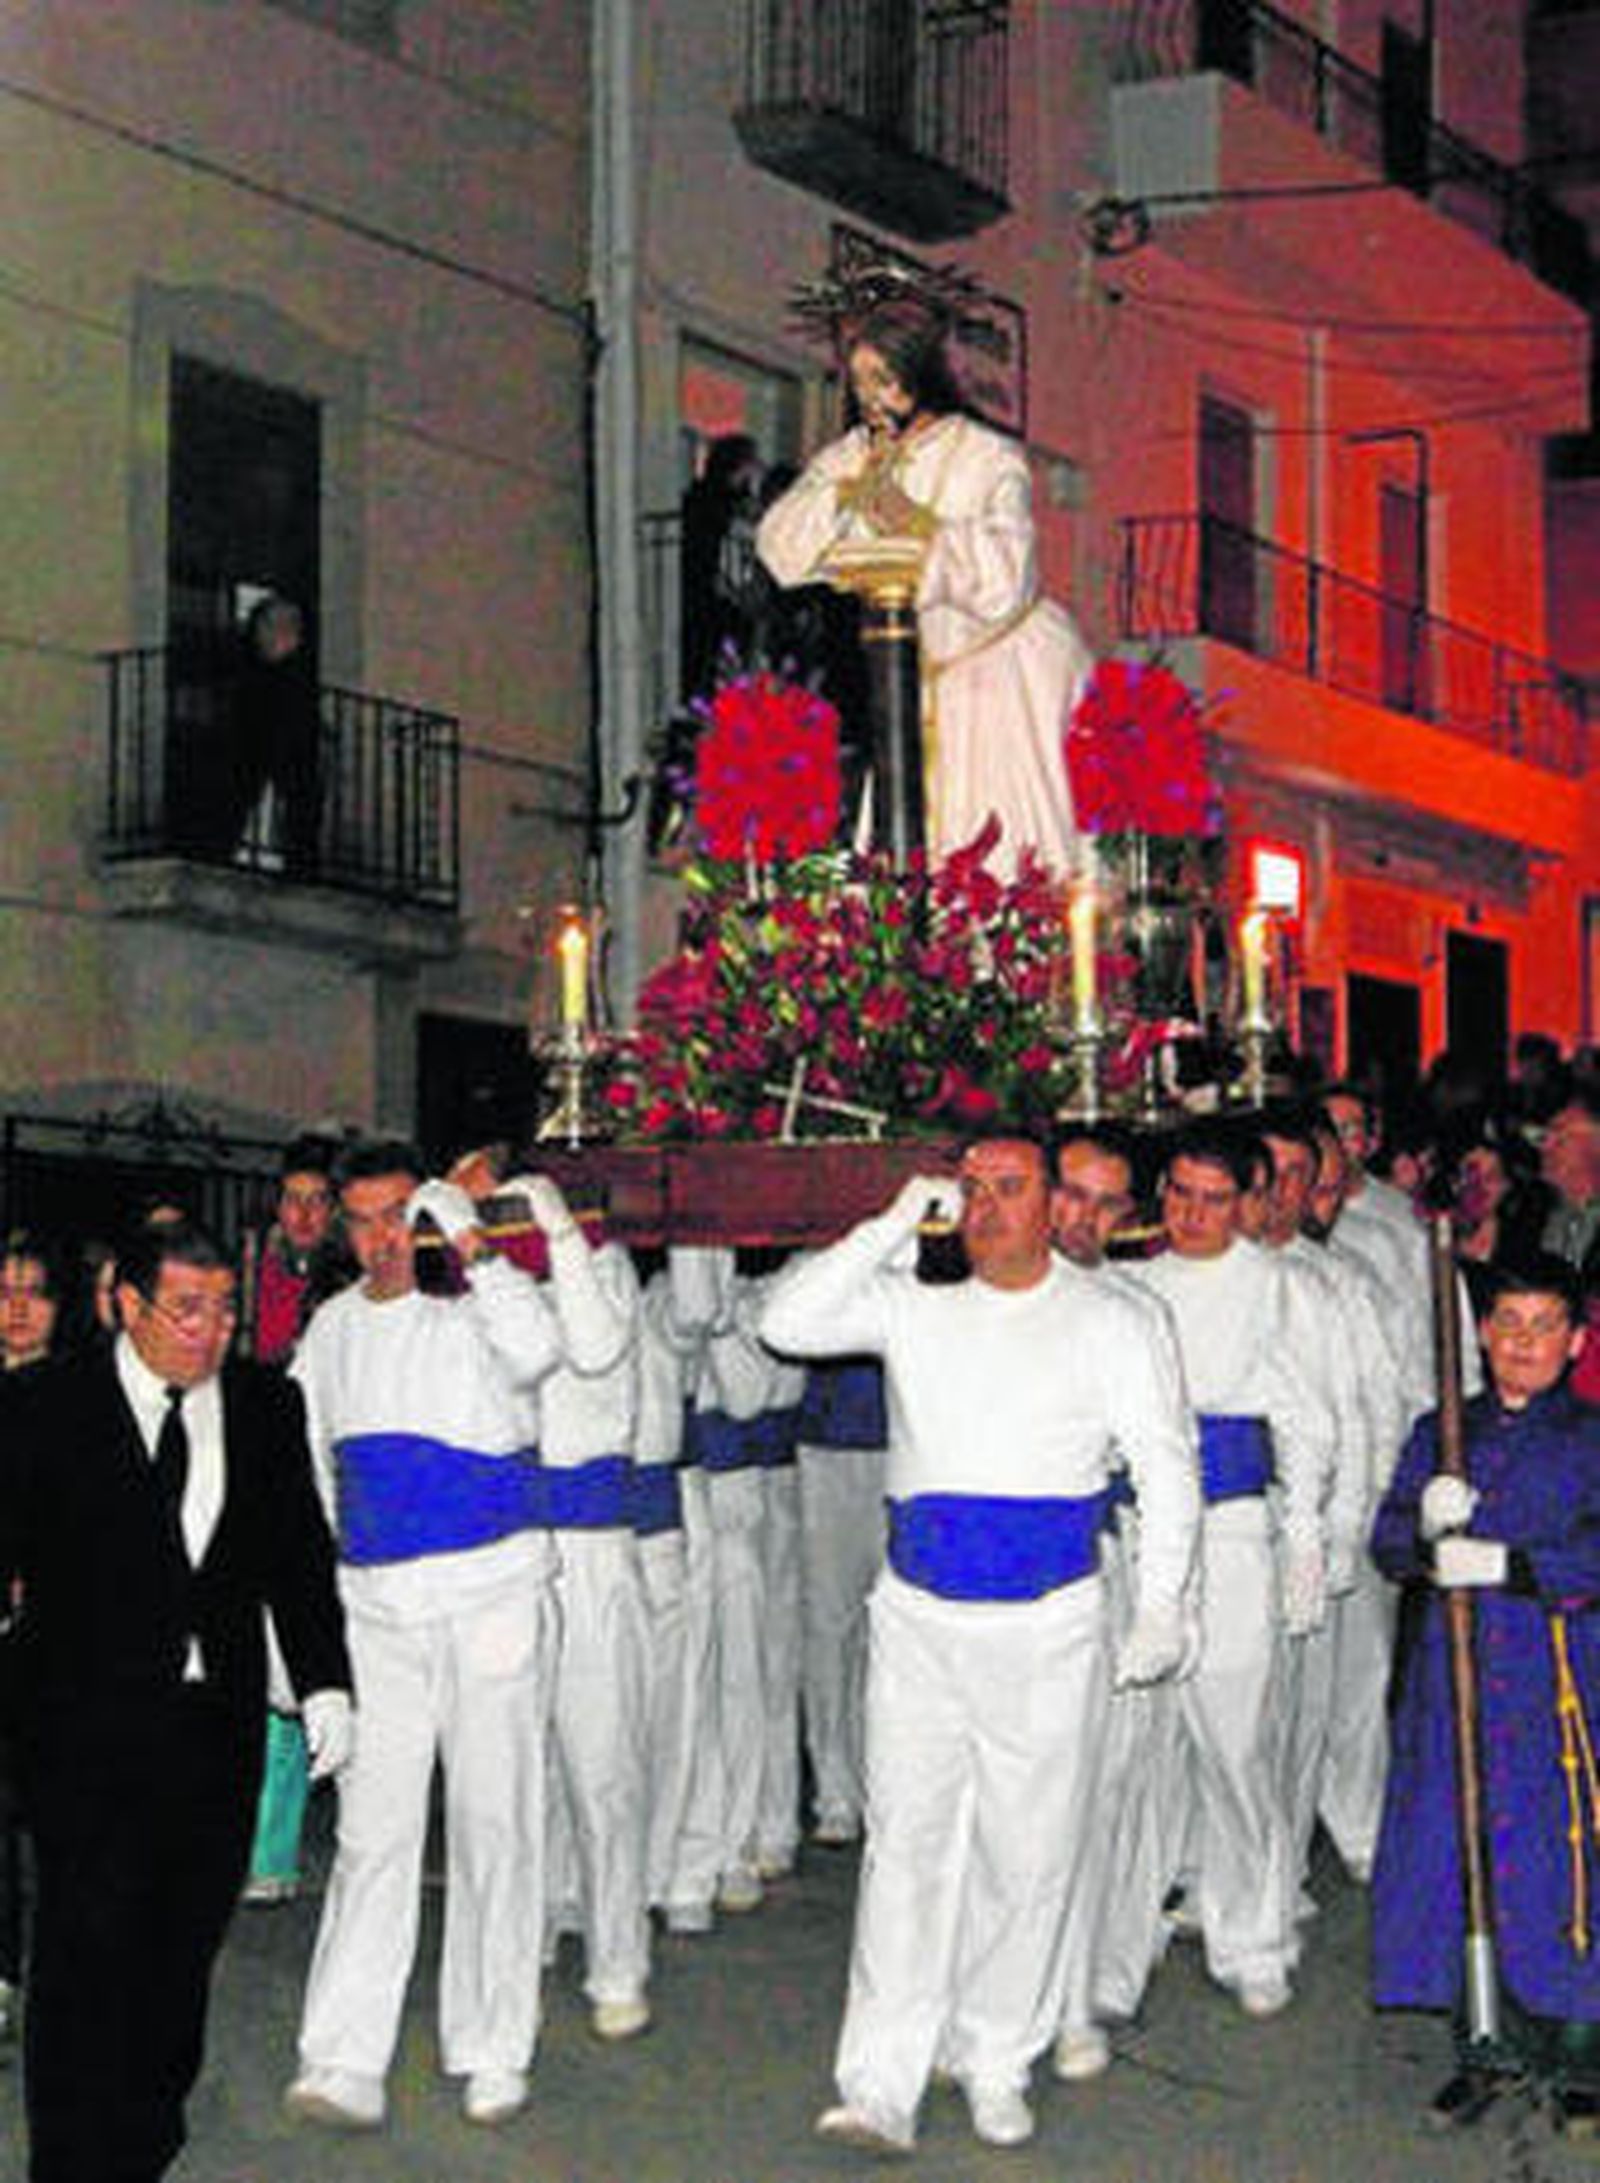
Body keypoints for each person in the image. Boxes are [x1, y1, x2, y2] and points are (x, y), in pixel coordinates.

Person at [760, 1134, 1197, 2154]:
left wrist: (1162, 1605)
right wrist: (885, 1223)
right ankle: (877, 2078)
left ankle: (997, 2051)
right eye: (973, 1189)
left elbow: (1166, 1468)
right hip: (920, 1617)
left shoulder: (1111, 1319)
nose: (989, 1205)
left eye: (1011, 1187)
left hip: (1047, 1620)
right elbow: (785, 1320)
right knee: (905, 1846)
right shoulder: (914, 1303)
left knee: (1027, 1850)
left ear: (1053, 1204)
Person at [0, 1216, 352, 2183]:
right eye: (186, 1309)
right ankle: (71, 2160)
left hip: (212, 1727)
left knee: (180, 1940)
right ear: (125, 1303)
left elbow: (298, 1556)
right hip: (81, 1731)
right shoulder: (41, 1403)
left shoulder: (264, 1403)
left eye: (226, 1309)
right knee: (81, 1950)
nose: (210, 1330)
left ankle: (146, 2130)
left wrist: (325, 1679)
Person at [283, 1141, 619, 2134]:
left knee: (494, 1821)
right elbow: (300, 1462)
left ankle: (492, 2042)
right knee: (372, 1833)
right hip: (377, 1607)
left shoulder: (482, 1303)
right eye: (365, 1218)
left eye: (401, 1213)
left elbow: (542, 1351)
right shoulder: (333, 1329)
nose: (383, 1236)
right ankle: (342, 2052)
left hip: (492, 1599)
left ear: (427, 1214)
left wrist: (471, 1240)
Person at [1370, 1255, 1600, 2135]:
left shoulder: (1588, 1436)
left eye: (1544, 1325)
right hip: (1452, 1679)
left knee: (1559, 1852)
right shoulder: (1442, 1430)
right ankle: (1483, 2038)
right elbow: (1386, 1538)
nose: (1522, 1343)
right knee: (1454, 1843)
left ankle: (1580, 2047)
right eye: (1506, 1322)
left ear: (1575, 1340)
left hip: (1558, 1678)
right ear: (1482, 1333)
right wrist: (1426, 1537)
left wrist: (1516, 1565)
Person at [756, 297, 1091, 878]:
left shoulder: (985, 456)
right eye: (859, 382)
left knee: (1007, 850)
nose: (871, 398)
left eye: (882, 380)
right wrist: (841, 495)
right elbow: (779, 547)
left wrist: (913, 522)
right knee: (900, 859)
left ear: (919, 376)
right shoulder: (856, 455)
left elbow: (1005, 577)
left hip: (998, 672)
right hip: (907, 676)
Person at [1127, 1126, 1334, 2021]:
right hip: (1144, 1527)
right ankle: (1130, 1917)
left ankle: (1254, 1927)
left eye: (1214, 1198)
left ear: (1250, 1201)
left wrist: (1304, 1537)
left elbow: (1309, 1422)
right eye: (1178, 1193)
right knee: (1138, 1742)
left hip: (1237, 1524)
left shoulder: (1281, 1287)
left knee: (1239, 1737)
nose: (1193, 1215)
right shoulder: (1131, 1285)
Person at [243, 1133, 356, 1909]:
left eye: (320, 1200)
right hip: (266, 1475)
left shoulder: (355, 1287)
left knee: (330, 1658)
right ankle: (267, 1847)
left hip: (340, 1488)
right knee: (269, 1666)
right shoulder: (252, 1276)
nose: (306, 1213)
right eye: (295, 1199)